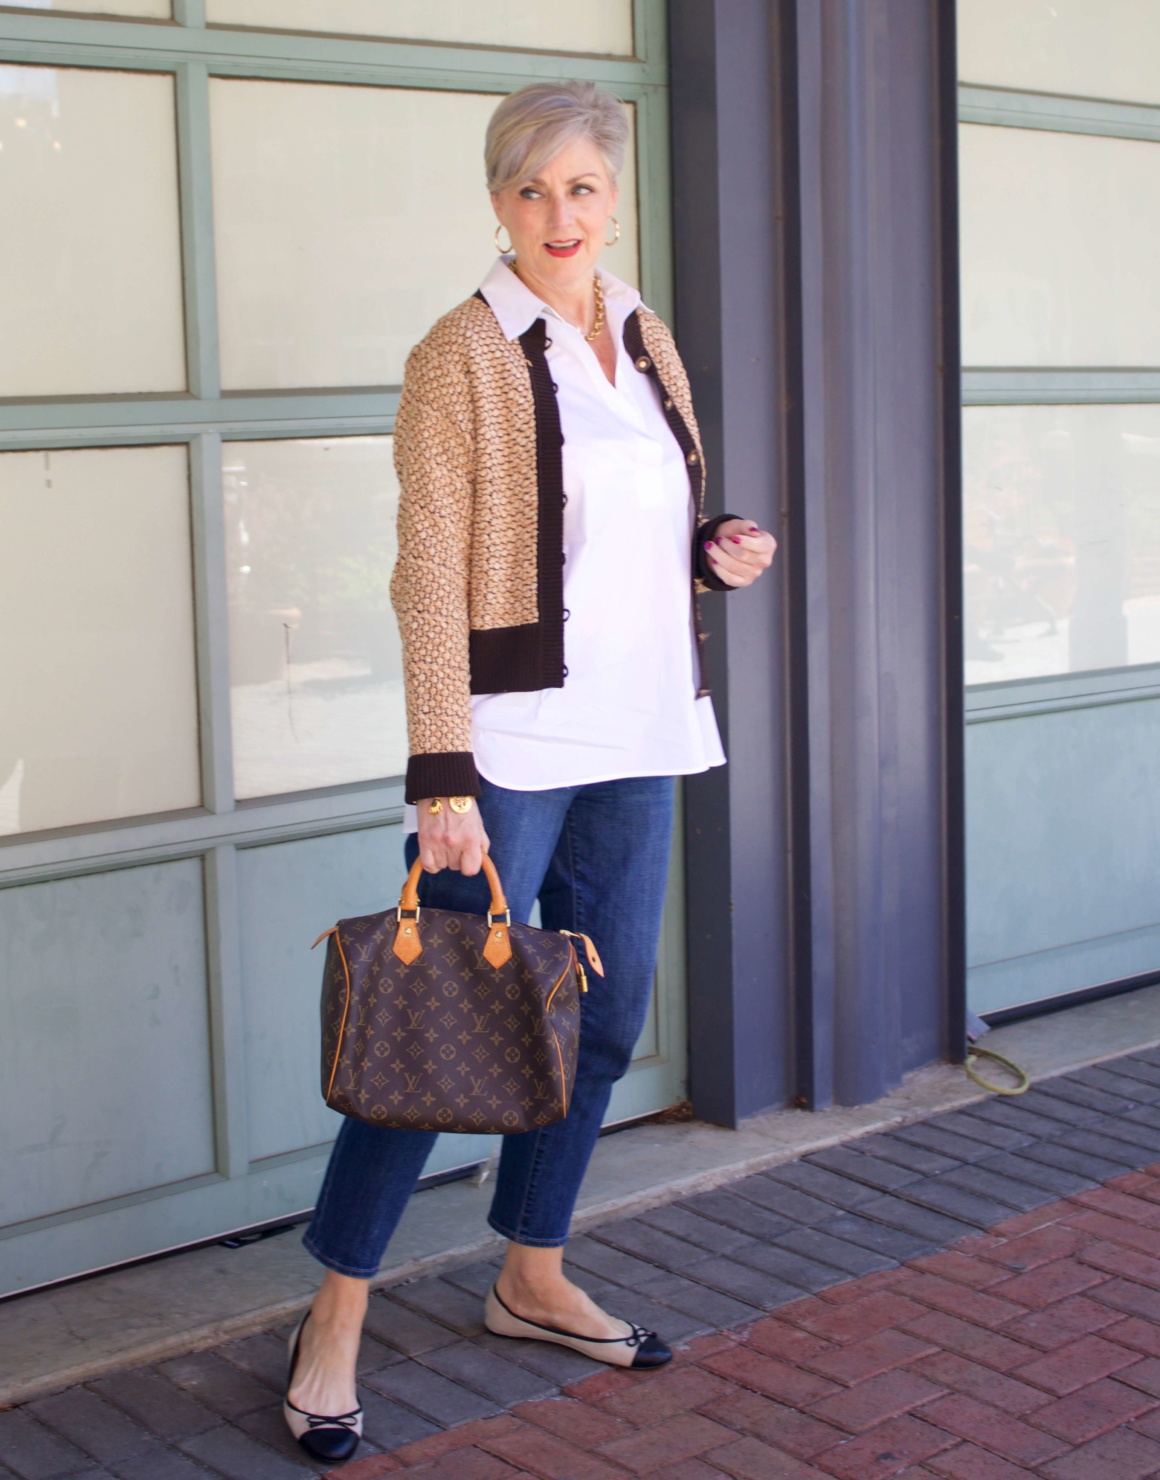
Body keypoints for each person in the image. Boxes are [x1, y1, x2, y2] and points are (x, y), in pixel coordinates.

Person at [282, 79, 776, 1462]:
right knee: (432, 1031)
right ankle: (334, 1317)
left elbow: (616, 531)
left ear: (615, 200)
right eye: (529, 189)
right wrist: (441, 772)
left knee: (603, 1025)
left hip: (640, 731)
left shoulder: (644, 335)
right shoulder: (462, 353)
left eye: (581, 188)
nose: (558, 215)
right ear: (497, 203)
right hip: (507, 748)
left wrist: (708, 551)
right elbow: (430, 567)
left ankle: (530, 1270)